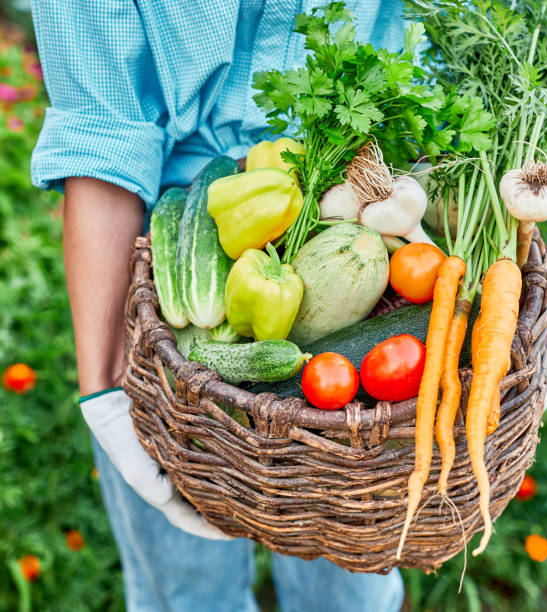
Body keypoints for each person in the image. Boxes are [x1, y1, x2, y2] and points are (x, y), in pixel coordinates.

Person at [30, 2, 408, 611]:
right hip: (160, 246)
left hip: (369, 209)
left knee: (350, 591)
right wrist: (102, 391)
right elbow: (102, 128)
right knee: (185, 593)